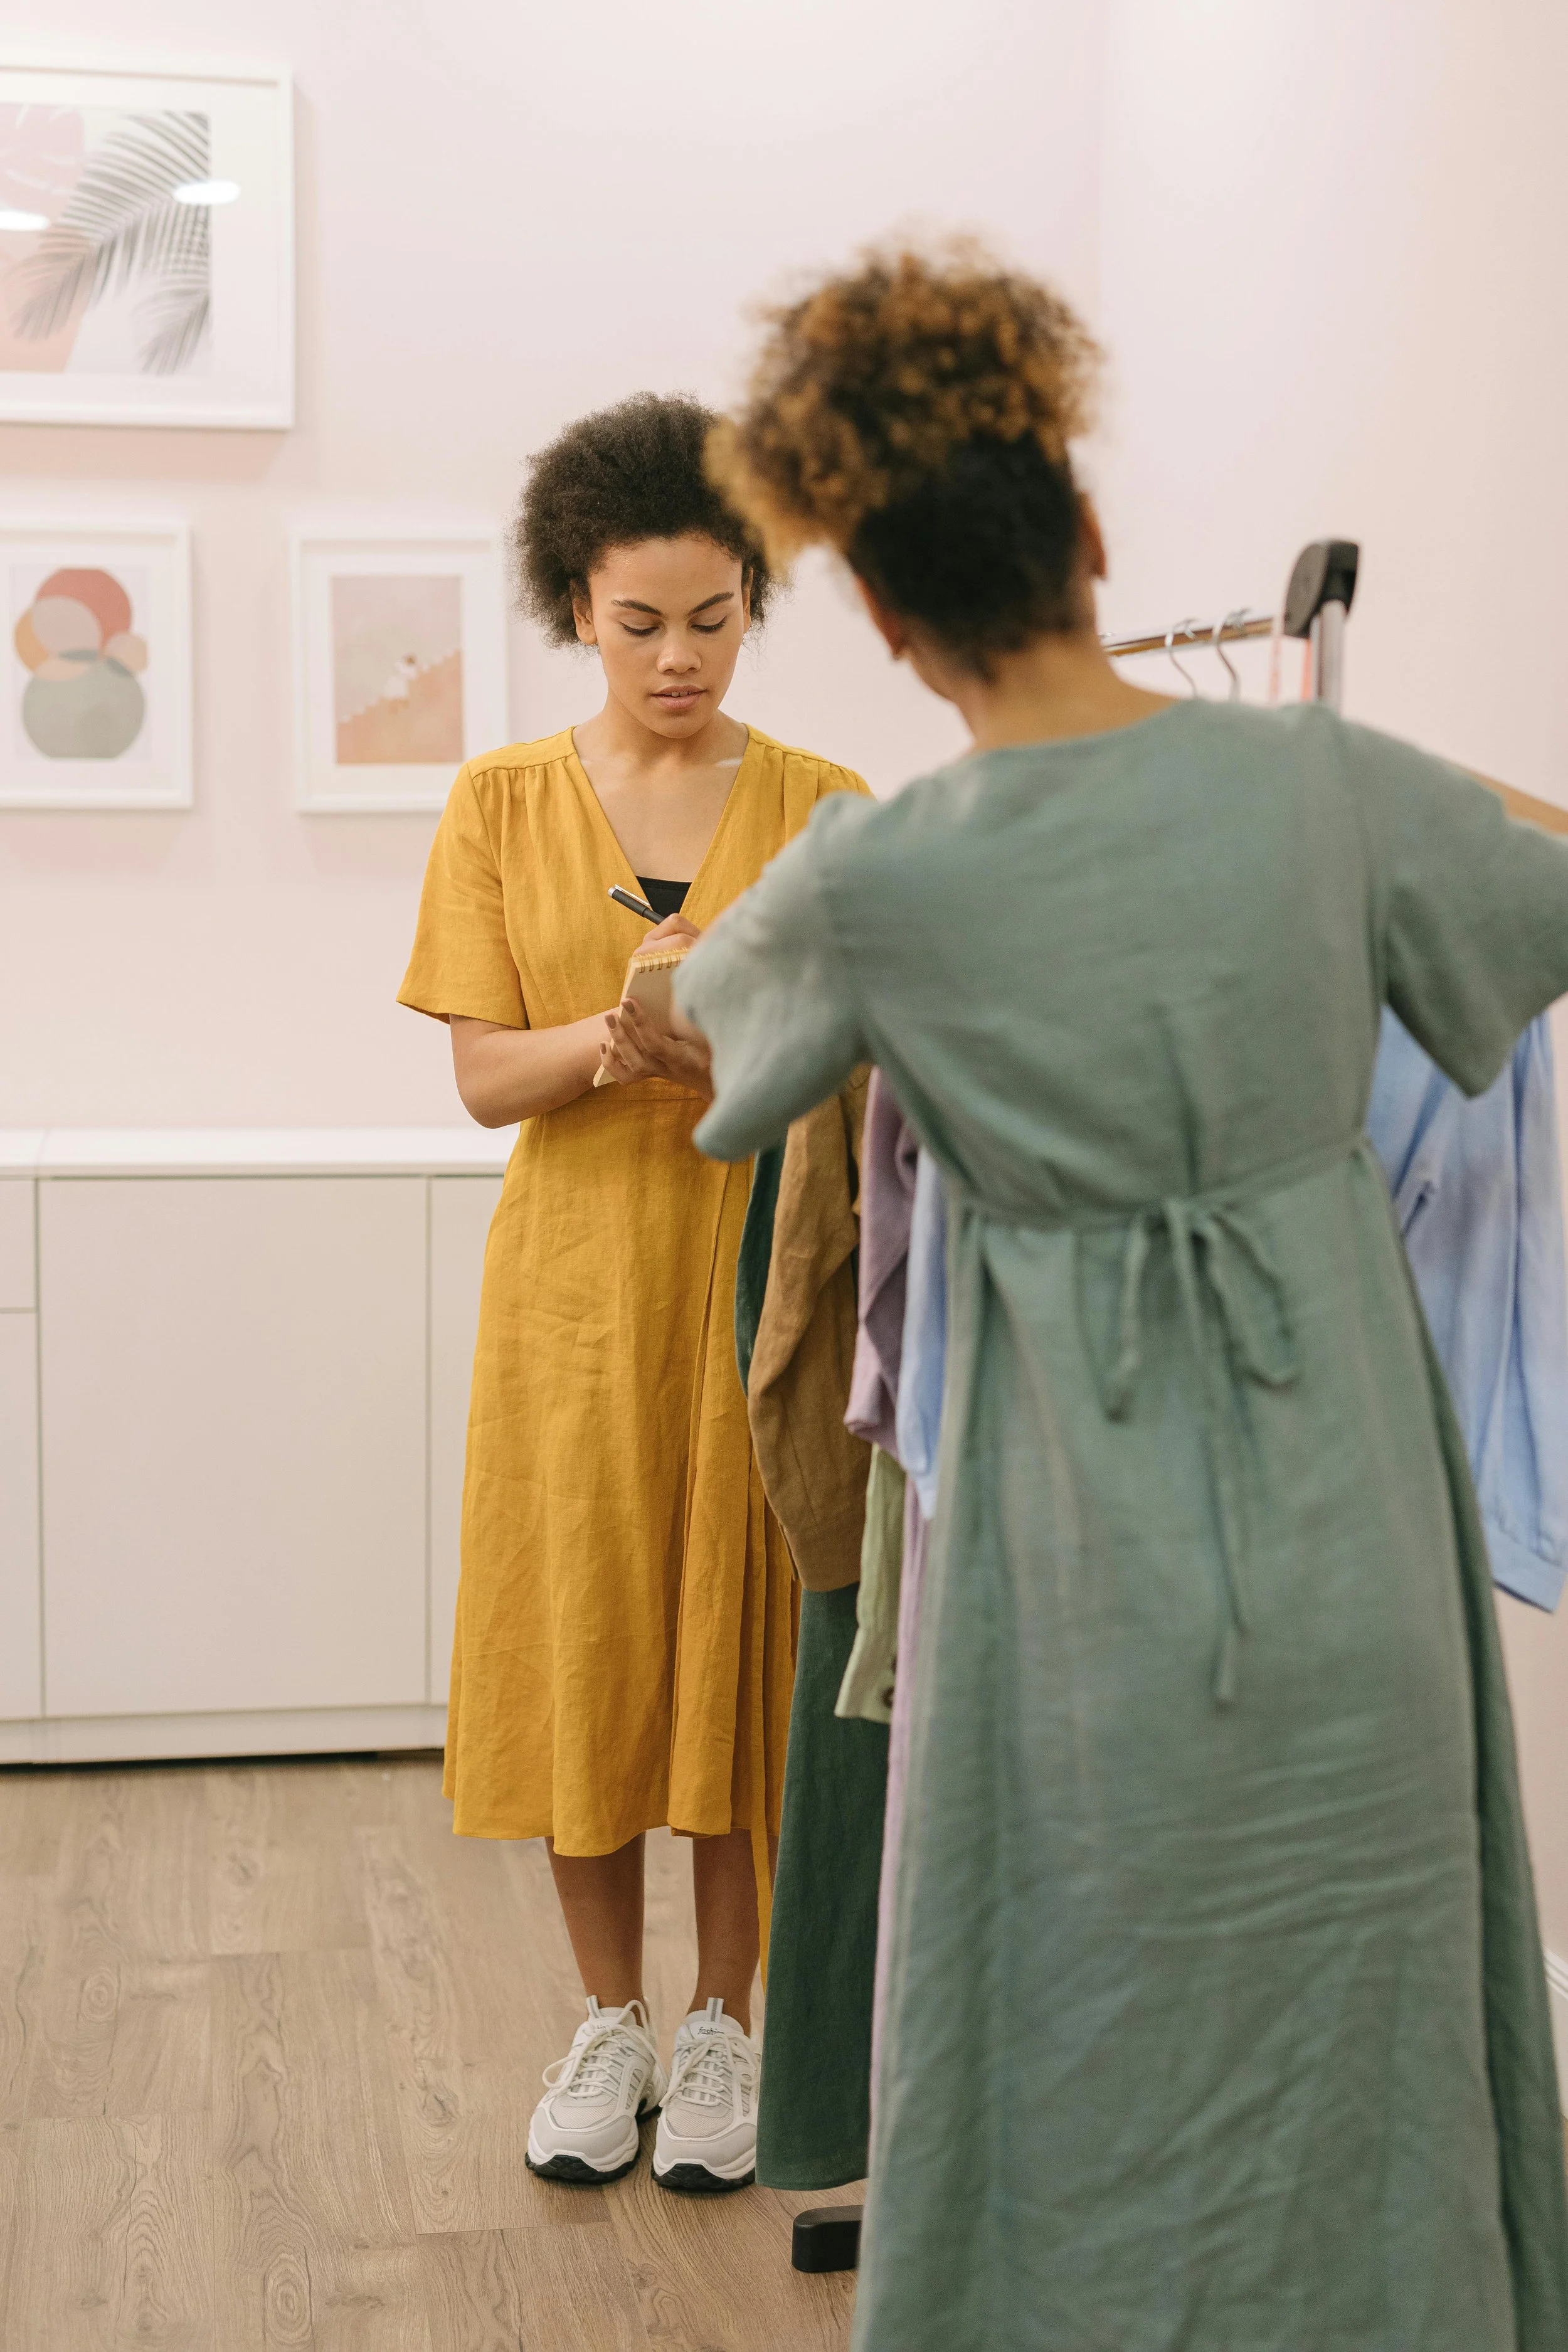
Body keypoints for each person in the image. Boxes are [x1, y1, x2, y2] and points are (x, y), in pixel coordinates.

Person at [671, 248, 1568, 2347]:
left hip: (1068, 1565)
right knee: (1362, 2000)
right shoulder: (1324, 788)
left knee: (1068, 2013)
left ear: (882, 625)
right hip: (1345, 1506)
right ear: (1088, 535)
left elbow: (715, 1052)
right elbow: (1532, 907)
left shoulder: (875, 874)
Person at [398, 391, 868, 2195]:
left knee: (748, 1662)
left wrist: (749, 1048)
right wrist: (615, 1034)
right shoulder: (498, 802)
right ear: (571, 607)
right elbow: (480, 1078)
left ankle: (723, 2024)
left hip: (771, 1284)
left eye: (710, 619)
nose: (675, 656)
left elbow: (867, 1045)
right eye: (636, 621)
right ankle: (606, 2024)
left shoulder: (827, 810)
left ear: (753, 599)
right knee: (582, 1642)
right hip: (578, 1295)